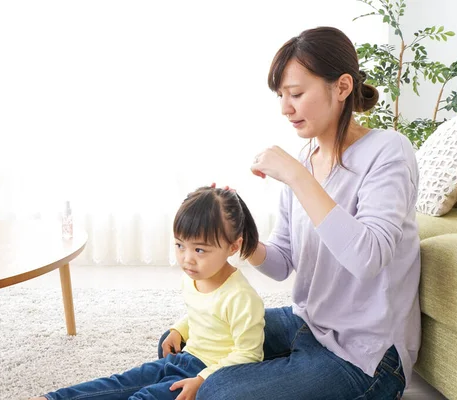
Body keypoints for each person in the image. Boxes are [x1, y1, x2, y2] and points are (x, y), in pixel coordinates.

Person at [159, 26, 421, 399]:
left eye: (296, 94)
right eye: (281, 95)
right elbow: (282, 263)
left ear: (342, 87)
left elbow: (368, 258)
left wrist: (297, 177)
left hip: (367, 356)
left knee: (219, 391)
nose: (285, 108)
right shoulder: (304, 161)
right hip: (308, 324)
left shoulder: (388, 151)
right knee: (188, 344)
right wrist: (238, 235)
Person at [32, 186, 266, 400]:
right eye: (179, 246)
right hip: (184, 360)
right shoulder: (193, 278)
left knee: (144, 397)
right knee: (120, 383)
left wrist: (203, 379)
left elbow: (249, 354)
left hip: (207, 375)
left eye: (199, 249)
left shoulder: (241, 297)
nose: (187, 259)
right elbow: (204, 314)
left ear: (233, 246)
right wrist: (178, 330)